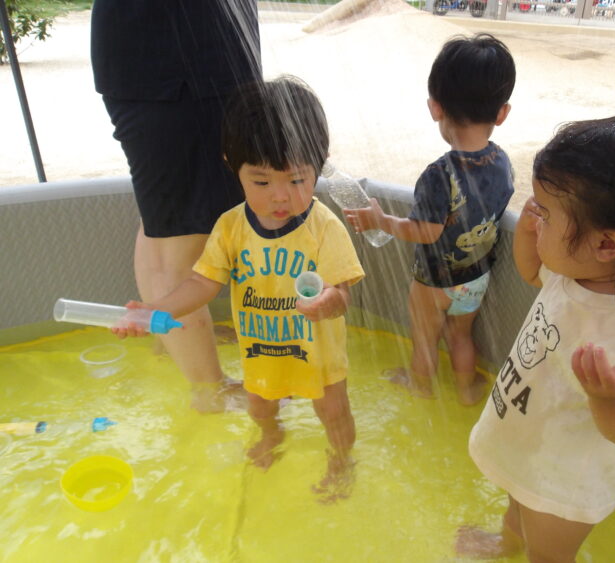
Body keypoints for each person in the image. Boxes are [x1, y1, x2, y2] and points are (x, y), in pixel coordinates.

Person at [456, 112, 615, 562]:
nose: (536, 219)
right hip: (528, 447)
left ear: (607, 245)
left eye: (547, 215)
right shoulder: (575, 273)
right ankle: (507, 543)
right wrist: (530, 232)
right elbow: (531, 270)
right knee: (515, 512)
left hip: (565, 482)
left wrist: (611, 401)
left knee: (548, 556)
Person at [113, 76, 365, 502]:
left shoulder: (324, 228)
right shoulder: (231, 227)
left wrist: (328, 302)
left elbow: (342, 294)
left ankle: (342, 461)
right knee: (259, 406)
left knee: (334, 411)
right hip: (262, 350)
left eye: (297, 180)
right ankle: (272, 434)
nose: (280, 197)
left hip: (317, 355)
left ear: (319, 166)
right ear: (233, 165)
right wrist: (155, 310)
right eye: (262, 182)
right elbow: (202, 282)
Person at [90, 0, 262, 412]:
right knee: (181, 228)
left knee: (166, 217)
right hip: (176, 68)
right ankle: (209, 390)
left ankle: (177, 340)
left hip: (177, 60)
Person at [343, 33, 516, 406]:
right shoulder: (503, 163)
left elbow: (426, 232)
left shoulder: (440, 174)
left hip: (433, 282)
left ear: (435, 107)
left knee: (424, 339)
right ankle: (467, 390)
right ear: (502, 113)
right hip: (475, 278)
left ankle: (419, 386)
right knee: (461, 337)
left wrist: (380, 220)